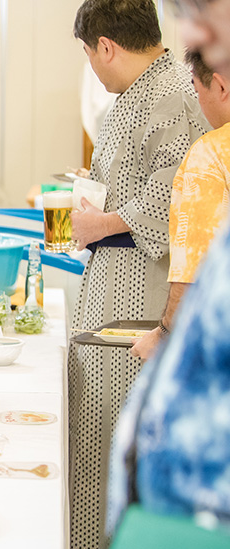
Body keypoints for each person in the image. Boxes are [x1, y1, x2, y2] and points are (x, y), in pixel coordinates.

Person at [67, 0, 209, 549]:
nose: (93, 66)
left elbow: (178, 190)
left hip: (143, 283)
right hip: (113, 274)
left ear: (106, 46)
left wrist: (102, 222)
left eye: (88, 53)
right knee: (97, 418)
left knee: (116, 422)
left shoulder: (175, 90)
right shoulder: (143, 91)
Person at [132, 50, 230, 359]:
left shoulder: (210, 156)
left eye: (197, 91)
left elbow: (193, 267)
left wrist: (165, 333)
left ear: (221, 87)